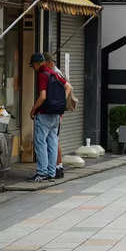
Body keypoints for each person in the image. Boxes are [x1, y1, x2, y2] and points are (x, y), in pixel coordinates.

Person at [28, 53, 71, 183]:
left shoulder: (42, 74)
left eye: (33, 66)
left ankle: (42, 173)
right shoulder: (54, 73)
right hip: (56, 114)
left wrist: (33, 109)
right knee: (53, 142)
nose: (33, 68)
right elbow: (68, 86)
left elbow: (42, 97)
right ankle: (52, 173)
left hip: (44, 114)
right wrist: (59, 102)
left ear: (37, 64)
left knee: (41, 143)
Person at [43, 52, 78, 179]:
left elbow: (68, 87)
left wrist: (59, 103)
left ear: (49, 62)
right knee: (54, 139)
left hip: (56, 112)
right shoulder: (55, 72)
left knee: (54, 140)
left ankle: (58, 167)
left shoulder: (55, 73)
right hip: (58, 111)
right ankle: (57, 166)